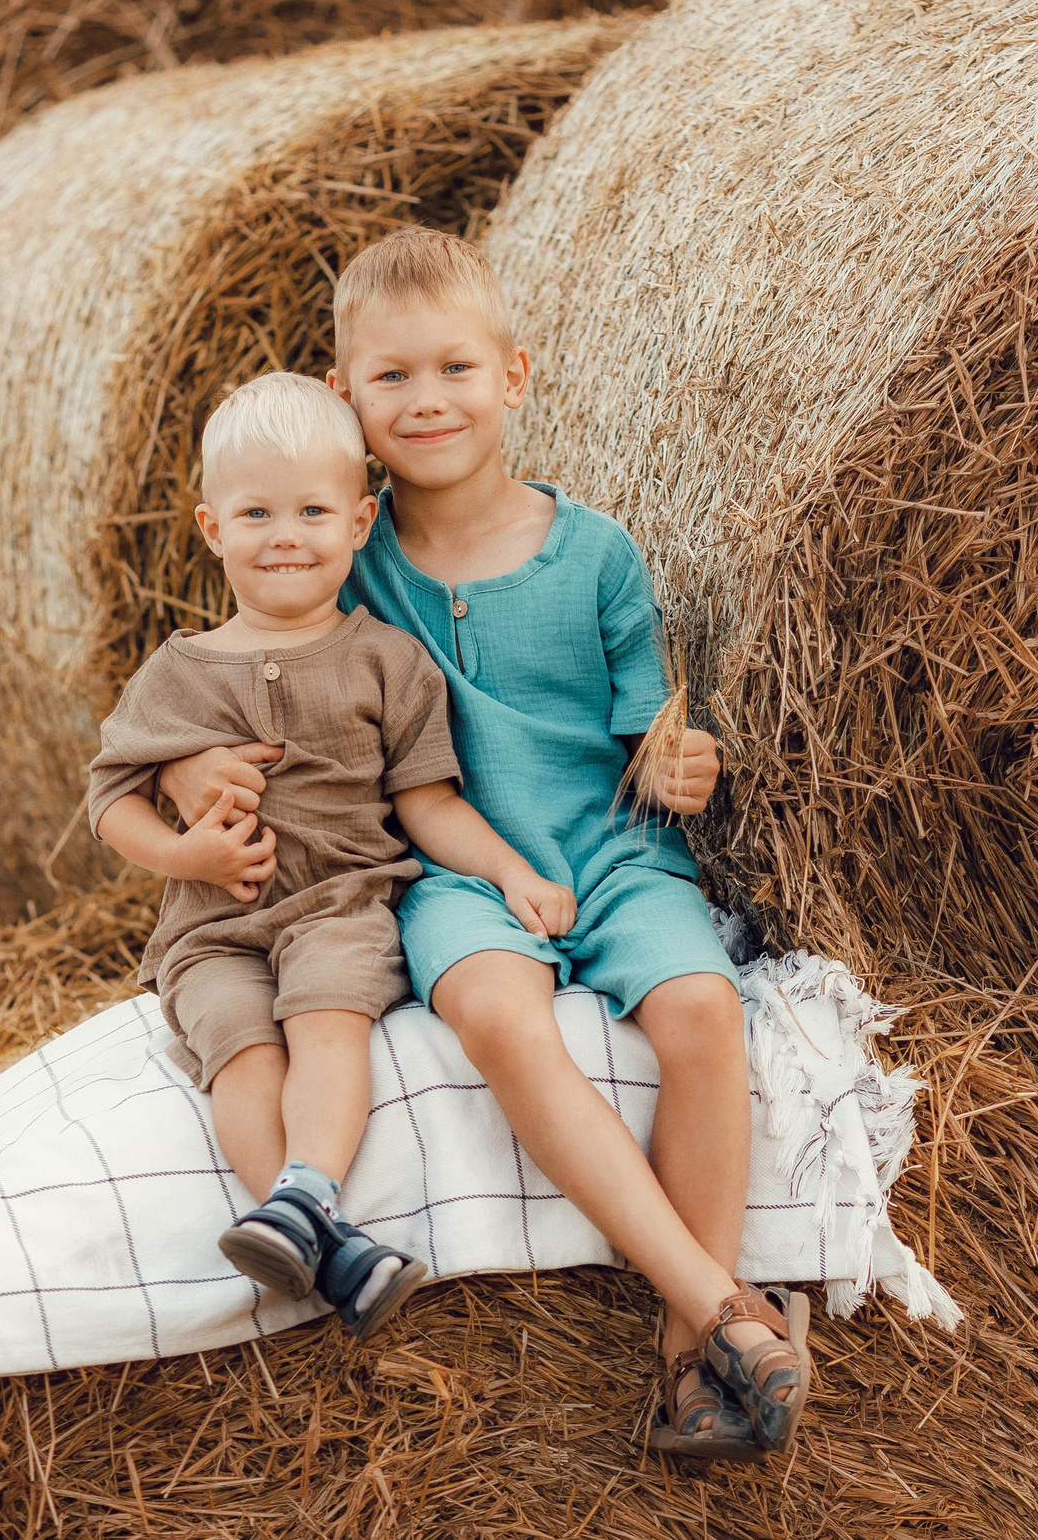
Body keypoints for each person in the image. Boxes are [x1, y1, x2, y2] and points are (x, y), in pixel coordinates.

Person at [160, 228, 809, 1459]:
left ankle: (688, 1361)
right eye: (391, 377)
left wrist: (685, 766)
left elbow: (650, 742)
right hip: (444, 867)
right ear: (346, 398)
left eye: (454, 369)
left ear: (513, 377)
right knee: (502, 1019)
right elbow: (240, 666)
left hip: (611, 851)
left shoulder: (598, 555)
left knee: (702, 1017)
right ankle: (723, 1309)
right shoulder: (347, 561)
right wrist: (193, 762)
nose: (427, 401)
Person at [88, 370, 579, 1342]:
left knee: (325, 1021)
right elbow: (112, 804)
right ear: (209, 527)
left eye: (312, 511)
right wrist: (185, 857)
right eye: (256, 512)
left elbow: (428, 806)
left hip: (339, 905)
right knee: (237, 1047)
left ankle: (303, 1197)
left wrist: (515, 874)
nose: (285, 534)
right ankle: (321, 1233)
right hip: (212, 929)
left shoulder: (385, 660)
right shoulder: (177, 673)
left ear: (359, 523)